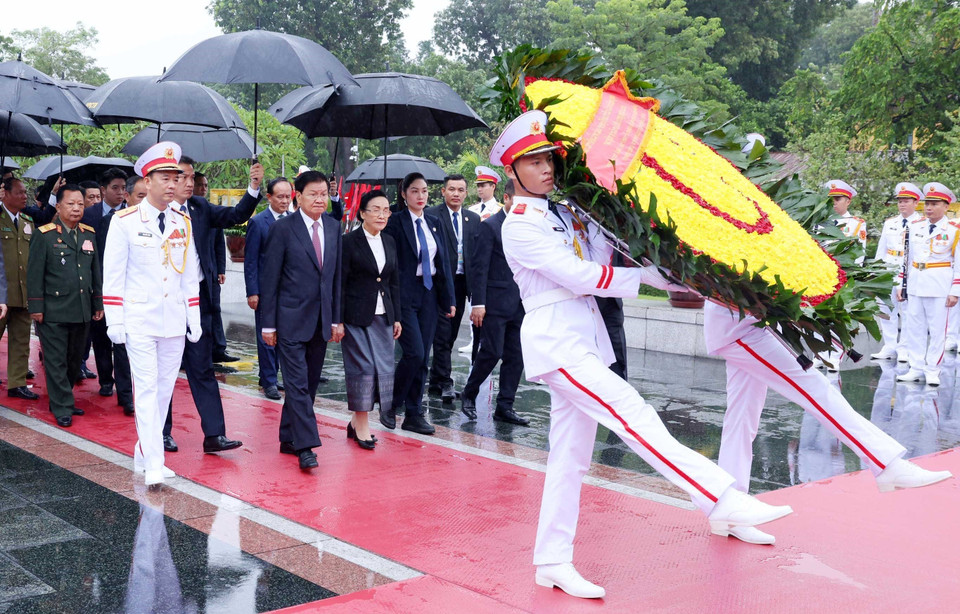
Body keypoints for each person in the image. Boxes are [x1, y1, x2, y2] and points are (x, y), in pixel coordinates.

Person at [494, 110, 792, 600]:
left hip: (581, 338)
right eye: (533, 162)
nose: (546, 168)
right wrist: (653, 280)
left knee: (569, 459)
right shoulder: (519, 226)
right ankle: (719, 496)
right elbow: (581, 276)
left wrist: (636, 241)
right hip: (557, 341)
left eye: (549, 159)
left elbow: (600, 257)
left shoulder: (564, 211)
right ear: (512, 170)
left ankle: (552, 560)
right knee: (633, 413)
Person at [704, 300, 950, 544]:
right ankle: (885, 462)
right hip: (739, 326)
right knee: (815, 388)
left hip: (748, 323)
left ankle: (731, 510)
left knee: (742, 417)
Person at [102, 142, 201, 486]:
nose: (173, 184)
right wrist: (115, 319)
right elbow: (113, 274)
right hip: (139, 319)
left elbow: (189, 275)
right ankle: (155, 463)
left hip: (173, 320)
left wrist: (194, 317)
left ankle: (144, 452)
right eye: (165, 178)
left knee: (163, 391)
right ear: (147, 180)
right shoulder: (125, 221)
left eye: (176, 177)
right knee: (145, 389)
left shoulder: (182, 221)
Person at [162, 156, 263, 454]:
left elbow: (235, 215)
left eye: (191, 177)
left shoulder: (200, 207)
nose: (189, 182)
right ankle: (161, 432)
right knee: (164, 371)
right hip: (166, 303)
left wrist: (253, 186)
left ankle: (214, 435)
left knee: (202, 369)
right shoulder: (154, 213)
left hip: (199, 302)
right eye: (182, 176)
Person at [260, 170, 343, 470]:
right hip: (290, 320)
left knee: (308, 384)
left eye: (323, 194)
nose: (320, 199)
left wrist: (336, 319)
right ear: (299, 196)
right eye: (313, 194)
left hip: (321, 321)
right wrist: (268, 324)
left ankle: (288, 437)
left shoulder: (333, 227)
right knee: (296, 385)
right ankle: (306, 446)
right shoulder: (283, 229)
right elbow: (270, 280)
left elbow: (335, 278)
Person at [383, 173, 456, 435]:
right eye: (414, 191)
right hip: (404, 294)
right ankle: (391, 404)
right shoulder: (394, 222)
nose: (421, 196)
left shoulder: (434, 222)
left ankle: (414, 413)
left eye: (424, 191)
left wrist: (449, 299)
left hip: (429, 293)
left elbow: (443, 262)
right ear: (404, 194)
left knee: (424, 356)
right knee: (413, 352)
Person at [27, 184, 103, 427]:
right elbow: (34, 273)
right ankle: (61, 405)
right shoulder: (45, 235)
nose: (76, 208)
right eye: (70, 204)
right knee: (56, 360)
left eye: (80, 204)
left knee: (74, 359)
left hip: (81, 308)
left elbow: (95, 271)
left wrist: (98, 302)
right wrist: (36, 307)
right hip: (54, 309)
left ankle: (62, 397)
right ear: (58, 206)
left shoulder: (88, 234)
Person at [461, 179, 528, 425]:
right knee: (491, 352)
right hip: (494, 302)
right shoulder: (490, 226)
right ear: (506, 199)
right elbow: (479, 268)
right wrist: (478, 303)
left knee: (516, 355)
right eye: (519, 201)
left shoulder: (528, 227)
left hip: (521, 303)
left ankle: (505, 406)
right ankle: (469, 393)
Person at [339, 189, 401, 449]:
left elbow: (393, 282)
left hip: (383, 315)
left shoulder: (390, 241)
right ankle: (363, 427)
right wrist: (337, 320)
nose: (381, 215)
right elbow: (340, 283)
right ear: (362, 213)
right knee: (363, 370)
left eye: (386, 210)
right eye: (375, 209)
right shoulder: (348, 242)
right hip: (355, 317)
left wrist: (396, 317)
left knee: (383, 371)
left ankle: (355, 423)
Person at [897, 182, 960, 387]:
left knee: (938, 330)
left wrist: (955, 290)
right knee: (914, 328)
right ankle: (916, 368)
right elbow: (907, 259)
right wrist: (902, 284)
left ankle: (933, 369)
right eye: (927, 204)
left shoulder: (954, 230)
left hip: (940, 285)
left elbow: (959, 263)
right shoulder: (915, 226)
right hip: (916, 283)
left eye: (934, 204)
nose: (929, 208)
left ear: (946, 206)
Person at [82, 167, 134, 413]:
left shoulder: (131, 215)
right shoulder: (90, 216)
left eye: (123, 188)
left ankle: (126, 394)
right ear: (103, 190)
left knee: (122, 342)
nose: (120, 192)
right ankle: (105, 380)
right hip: (99, 285)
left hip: (127, 289)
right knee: (101, 337)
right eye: (115, 188)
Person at [427, 175, 480, 402]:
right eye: (451, 189)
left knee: (451, 334)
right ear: (443, 191)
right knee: (442, 333)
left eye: (460, 190)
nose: (456, 194)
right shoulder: (431, 215)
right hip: (439, 283)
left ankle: (435, 380)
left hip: (461, 283)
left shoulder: (473, 219)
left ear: (466, 193)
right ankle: (446, 382)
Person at [244, 177, 291, 400]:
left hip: (289, 291)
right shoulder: (258, 222)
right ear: (269, 197)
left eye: (288, 196)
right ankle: (269, 381)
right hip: (265, 291)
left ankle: (270, 375)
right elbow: (251, 260)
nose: (285, 201)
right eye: (280, 197)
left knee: (283, 336)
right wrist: (252, 291)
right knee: (266, 337)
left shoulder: (293, 220)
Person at [871, 182, 922, 362]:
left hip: (909, 270)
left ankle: (905, 348)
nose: (902, 204)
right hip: (889, 268)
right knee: (885, 308)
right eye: (900, 201)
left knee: (908, 311)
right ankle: (890, 345)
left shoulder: (922, 224)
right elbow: (881, 249)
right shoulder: (890, 223)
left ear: (916, 203)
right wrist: (877, 272)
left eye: (906, 201)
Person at [0, 177, 39, 400]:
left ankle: (17, 383)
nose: (25, 196)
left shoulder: (27, 221)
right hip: (2, 293)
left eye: (25, 192)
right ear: (5, 194)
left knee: (21, 341)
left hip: (23, 292)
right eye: (19, 192)